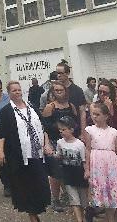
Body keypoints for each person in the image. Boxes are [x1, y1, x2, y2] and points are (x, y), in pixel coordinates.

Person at [0, 80, 53, 222]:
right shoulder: (6, 112)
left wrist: (47, 144)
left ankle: (37, 209)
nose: (17, 92)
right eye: (13, 90)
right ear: (8, 93)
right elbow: (1, 134)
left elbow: (43, 127)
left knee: (40, 182)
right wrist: (0, 151)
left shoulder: (32, 107)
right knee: (26, 184)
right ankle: (32, 214)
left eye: (18, 89)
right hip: (20, 155)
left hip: (37, 153)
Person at [84, 102, 117, 222]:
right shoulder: (90, 130)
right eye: (93, 114)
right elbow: (87, 149)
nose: (94, 117)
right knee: (101, 192)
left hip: (111, 164)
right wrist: (87, 168)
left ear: (106, 116)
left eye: (98, 114)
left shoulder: (113, 132)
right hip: (97, 162)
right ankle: (94, 212)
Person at [41, 80, 79, 213]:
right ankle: (55, 199)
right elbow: (44, 128)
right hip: (54, 142)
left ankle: (68, 195)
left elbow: (76, 125)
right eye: (55, 90)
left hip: (69, 142)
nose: (58, 93)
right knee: (55, 173)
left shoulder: (71, 106)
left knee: (68, 170)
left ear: (65, 91)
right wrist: (46, 144)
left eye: (60, 90)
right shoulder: (50, 107)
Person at [55, 116, 91, 222]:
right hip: (68, 173)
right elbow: (59, 156)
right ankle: (79, 219)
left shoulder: (79, 144)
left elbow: (84, 160)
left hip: (79, 174)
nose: (61, 132)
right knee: (74, 200)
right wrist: (52, 154)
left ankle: (84, 217)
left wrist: (87, 171)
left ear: (71, 129)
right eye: (60, 130)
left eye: (64, 129)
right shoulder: (60, 142)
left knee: (83, 201)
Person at [55, 62, 88, 134]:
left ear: (67, 73)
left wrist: (83, 132)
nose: (58, 76)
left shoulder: (77, 90)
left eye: (61, 73)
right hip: (58, 132)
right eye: (57, 73)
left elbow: (82, 112)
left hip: (75, 130)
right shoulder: (53, 91)